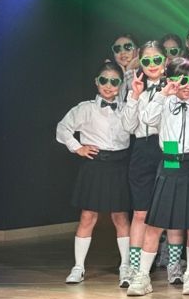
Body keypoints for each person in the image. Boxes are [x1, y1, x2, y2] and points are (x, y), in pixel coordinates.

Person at [126, 58, 189, 297]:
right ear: (170, 80)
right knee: (155, 224)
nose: (186, 85)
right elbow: (147, 119)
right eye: (181, 80)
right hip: (168, 166)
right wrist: (163, 94)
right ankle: (143, 275)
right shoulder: (163, 102)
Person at [56, 61, 132, 286]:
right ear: (96, 82)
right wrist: (77, 147)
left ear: (121, 84)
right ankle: (78, 267)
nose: (108, 86)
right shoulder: (85, 108)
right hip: (95, 165)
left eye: (114, 81)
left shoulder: (128, 108)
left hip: (120, 164)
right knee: (88, 216)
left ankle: (125, 266)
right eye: (104, 80)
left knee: (121, 216)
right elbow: (62, 127)